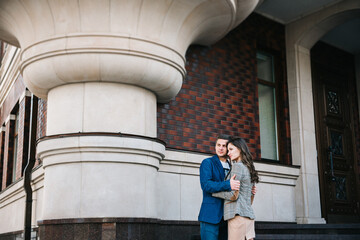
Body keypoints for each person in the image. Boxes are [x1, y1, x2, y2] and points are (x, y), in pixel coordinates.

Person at [212, 137, 259, 240]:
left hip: (237, 216)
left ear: (240, 149)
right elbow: (250, 199)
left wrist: (214, 192)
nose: (228, 153)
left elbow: (233, 195)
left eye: (231, 149)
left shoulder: (237, 166)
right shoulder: (250, 168)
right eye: (228, 150)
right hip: (249, 218)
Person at [198, 135, 240, 240]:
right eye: (218, 145)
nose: (220, 148)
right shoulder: (208, 163)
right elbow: (206, 185)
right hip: (210, 216)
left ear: (229, 148)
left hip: (227, 217)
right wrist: (227, 184)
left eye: (224, 146)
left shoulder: (232, 166)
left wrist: (250, 191)